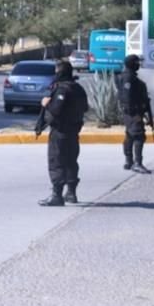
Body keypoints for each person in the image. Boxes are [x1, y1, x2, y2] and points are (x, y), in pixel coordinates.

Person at [36, 60, 89, 206]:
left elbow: (56, 109)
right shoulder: (78, 88)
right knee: (71, 161)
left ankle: (57, 195)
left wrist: (46, 104)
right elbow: (85, 108)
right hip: (73, 131)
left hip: (60, 131)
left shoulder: (62, 89)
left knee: (57, 162)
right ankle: (71, 193)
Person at [118, 54, 154, 174]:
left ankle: (129, 161)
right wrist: (134, 111)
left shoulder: (129, 76)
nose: (139, 64)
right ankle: (137, 163)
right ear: (132, 64)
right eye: (137, 62)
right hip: (132, 112)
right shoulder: (128, 78)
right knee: (139, 135)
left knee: (130, 135)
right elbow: (127, 97)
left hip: (133, 112)